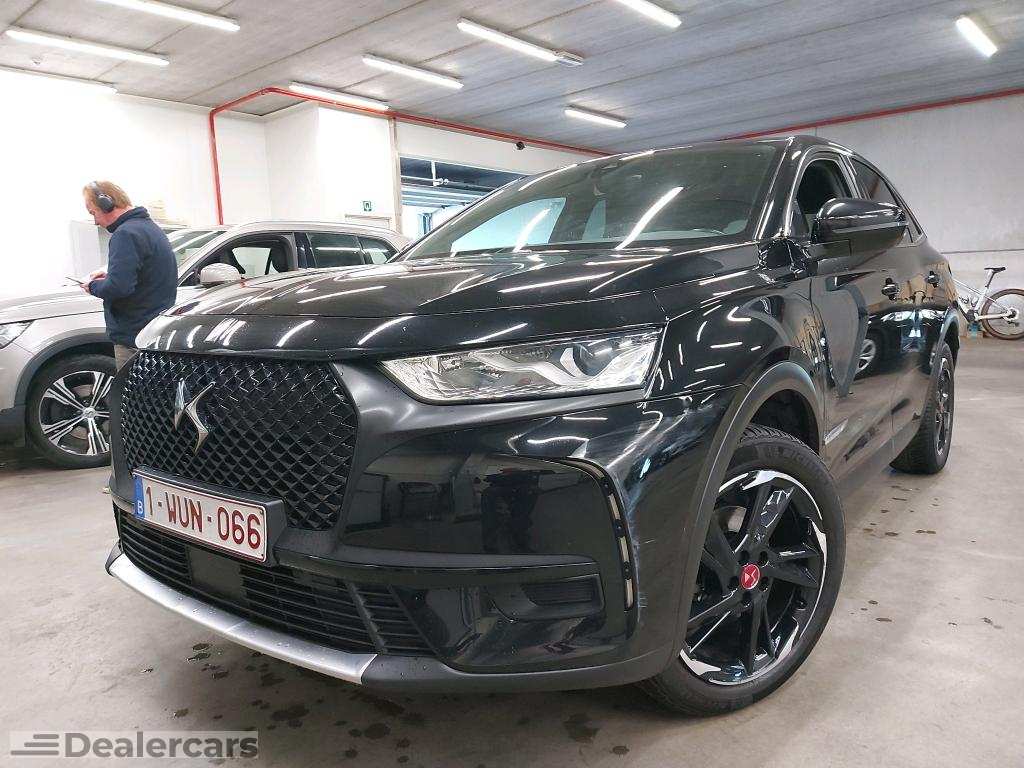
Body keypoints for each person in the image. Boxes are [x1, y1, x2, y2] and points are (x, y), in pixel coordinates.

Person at [81, 181, 177, 369]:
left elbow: (118, 287)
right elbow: (145, 274)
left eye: (93, 213)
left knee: (130, 388)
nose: (95, 222)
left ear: (107, 204)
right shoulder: (150, 228)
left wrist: (92, 286)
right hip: (152, 332)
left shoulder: (125, 234)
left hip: (134, 338)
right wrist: (110, 274)